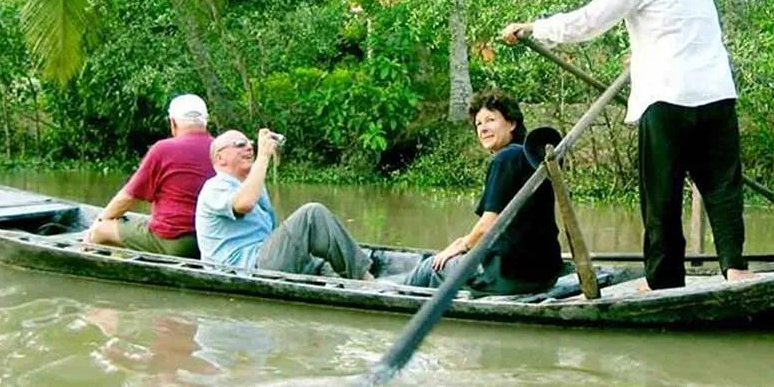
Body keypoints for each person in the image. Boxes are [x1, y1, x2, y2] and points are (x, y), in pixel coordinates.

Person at [501, 0, 751, 291]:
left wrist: (532, 27)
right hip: (717, 93)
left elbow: (586, 23)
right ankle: (735, 269)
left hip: (667, 99)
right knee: (722, 187)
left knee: (661, 194)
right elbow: (679, 27)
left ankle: (664, 280)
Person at [399, 89, 562, 295]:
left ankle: (389, 296)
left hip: (510, 275)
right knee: (450, 255)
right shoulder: (533, 159)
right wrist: (463, 241)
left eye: (490, 120)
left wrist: (463, 245)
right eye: (479, 124)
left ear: (512, 124)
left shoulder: (505, 159)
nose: (483, 129)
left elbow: (488, 227)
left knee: (430, 267)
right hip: (546, 275)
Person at [195, 128, 373, 279]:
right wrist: (263, 156)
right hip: (245, 268)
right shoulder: (214, 187)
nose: (250, 147)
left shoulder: (252, 185)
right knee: (311, 214)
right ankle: (366, 279)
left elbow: (272, 231)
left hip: (263, 257)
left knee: (316, 253)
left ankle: (343, 275)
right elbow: (244, 204)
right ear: (220, 158)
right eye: (240, 145)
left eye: (250, 143)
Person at [83, 93, 214, 258]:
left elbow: (127, 199)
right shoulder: (219, 149)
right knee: (129, 221)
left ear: (173, 123)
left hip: (175, 243)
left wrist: (98, 223)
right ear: (206, 122)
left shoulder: (164, 149)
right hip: (208, 242)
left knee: (101, 230)